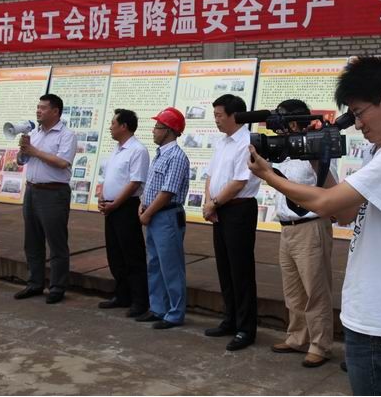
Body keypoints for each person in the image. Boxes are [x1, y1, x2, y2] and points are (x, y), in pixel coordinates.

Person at [248, 56, 381, 395]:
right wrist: (316, 159)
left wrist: (268, 175)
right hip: (372, 316)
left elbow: (325, 204)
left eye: (360, 113)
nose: (358, 124)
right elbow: (345, 213)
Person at [267, 99, 336, 369]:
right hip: (287, 228)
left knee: (315, 289)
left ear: (295, 123)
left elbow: (330, 187)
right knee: (293, 290)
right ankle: (297, 337)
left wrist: (316, 159)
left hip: (310, 226)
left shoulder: (314, 148)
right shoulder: (283, 151)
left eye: (282, 121)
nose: (278, 127)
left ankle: (320, 345)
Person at [202, 94, 262, 351]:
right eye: (214, 115)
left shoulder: (247, 142)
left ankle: (246, 329)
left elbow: (239, 182)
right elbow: (210, 175)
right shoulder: (222, 142)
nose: (216, 119)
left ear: (234, 116)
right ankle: (230, 319)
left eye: (219, 115)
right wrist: (209, 202)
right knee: (224, 267)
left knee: (241, 270)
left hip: (239, 210)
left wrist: (214, 203)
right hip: (220, 210)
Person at [15, 93, 77, 304]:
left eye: (43, 108)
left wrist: (34, 151)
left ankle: (57, 287)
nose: (38, 111)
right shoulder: (35, 133)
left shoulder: (66, 135)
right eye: (38, 107)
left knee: (56, 242)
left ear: (55, 111)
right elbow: (23, 161)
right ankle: (35, 283)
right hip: (32, 191)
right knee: (32, 241)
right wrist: (23, 151)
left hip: (53, 193)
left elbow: (62, 162)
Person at [137, 107, 190, 330]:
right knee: (155, 264)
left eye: (157, 127)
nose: (153, 130)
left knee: (171, 266)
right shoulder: (160, 155)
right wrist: (142, 205)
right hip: (153, 215)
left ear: (169, 130)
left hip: (166, 216)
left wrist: (148, 213)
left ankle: (175, 313)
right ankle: (158, 308)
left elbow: (168, 191)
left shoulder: (176, 157)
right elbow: (151, 186)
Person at [97, 109, 150, 317]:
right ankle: (122, 295)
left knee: (132, 254)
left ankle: (139, 301)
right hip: (111, 207)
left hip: (126, 207)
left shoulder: (137, 150)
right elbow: (110, 177)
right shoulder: (117, 149)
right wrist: (103, 197)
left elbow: (135, 182)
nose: (110, 127)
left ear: (124, 126)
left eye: (113, 123)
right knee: (115, 254)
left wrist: (116, 203)